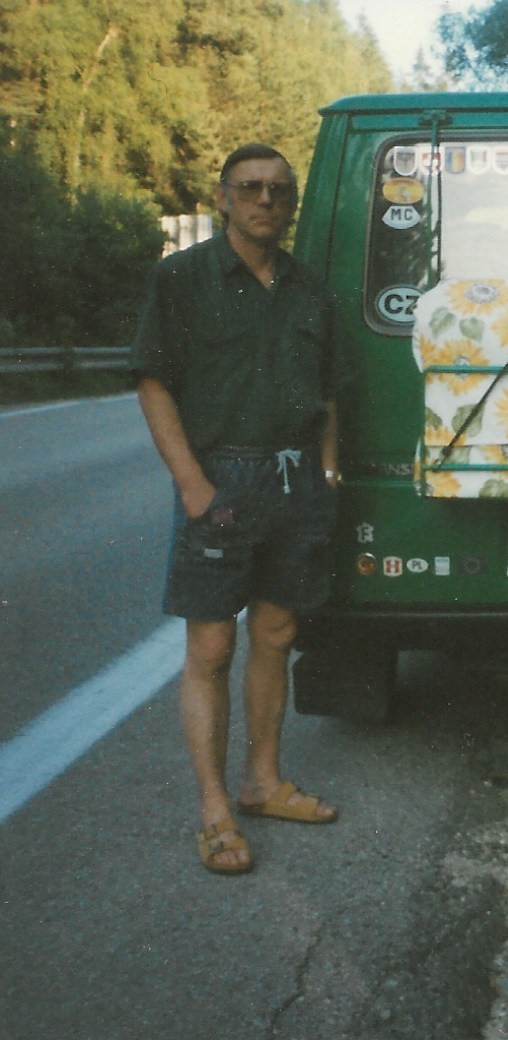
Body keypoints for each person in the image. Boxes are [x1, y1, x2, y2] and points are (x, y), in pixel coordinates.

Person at [132, 143, 348, 875]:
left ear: (292, 204)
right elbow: (154, 384)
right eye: (250, 187)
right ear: (223, 197)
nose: (265, 200)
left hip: (294, 479)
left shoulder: (310, 290)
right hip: (220, 477)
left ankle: (263, 782)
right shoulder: (182, 279)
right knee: (212, 648)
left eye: (279, 190)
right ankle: (215, 810)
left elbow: (328, 392)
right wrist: (193, 484)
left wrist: (326, 469)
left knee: (277, 634)